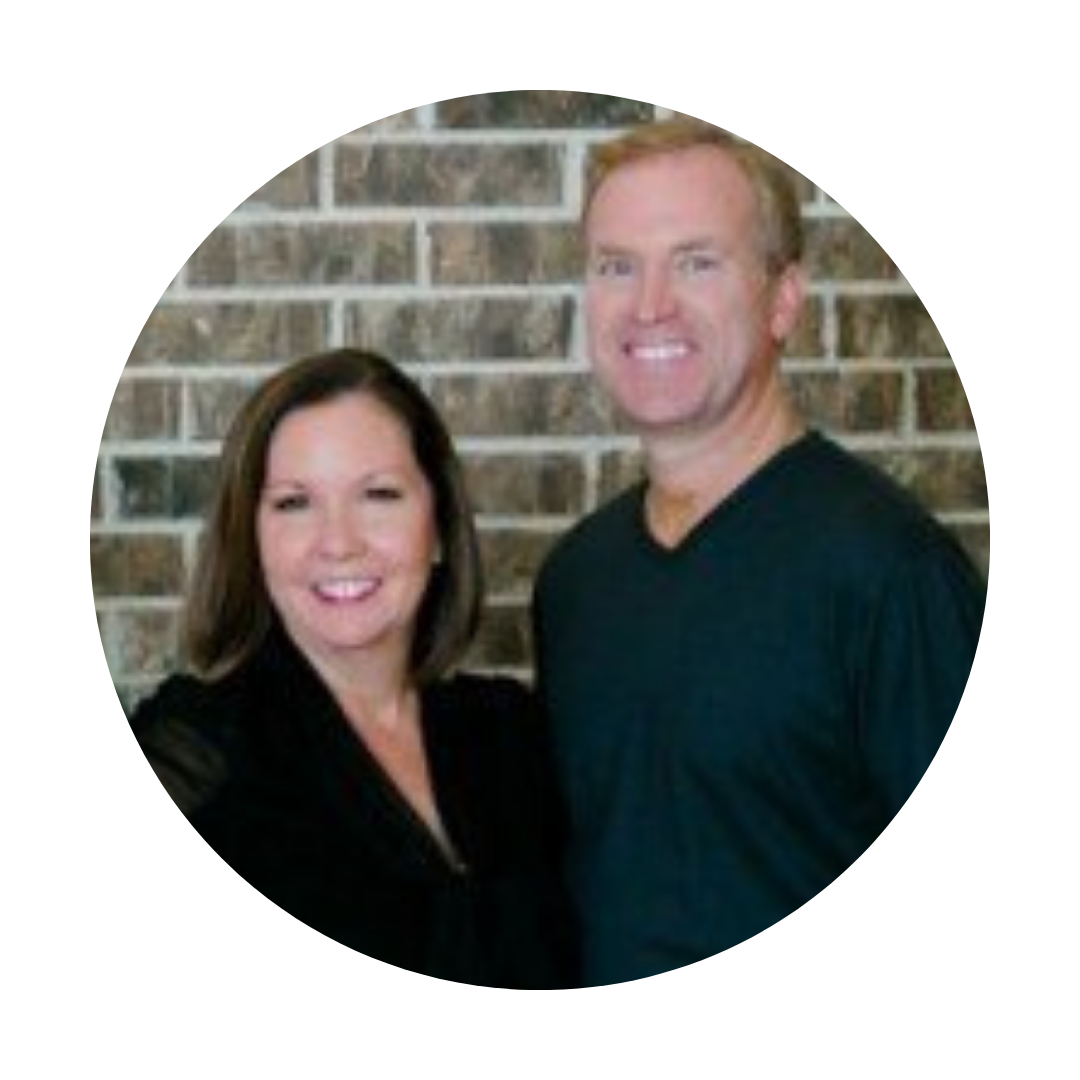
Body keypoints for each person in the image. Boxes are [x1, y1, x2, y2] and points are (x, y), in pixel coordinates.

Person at [532, 121, 987, 986]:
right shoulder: (576, 581)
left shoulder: (890, 572)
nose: (649, 304)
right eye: (616, 266)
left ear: (783, 300)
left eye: (697, 262)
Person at [132, 348, 575, 987]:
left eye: (378, 495)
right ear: (250, 537)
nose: (338, 543)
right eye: (294, 503)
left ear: (439, 524)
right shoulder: (198, 746)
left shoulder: (511, 730)